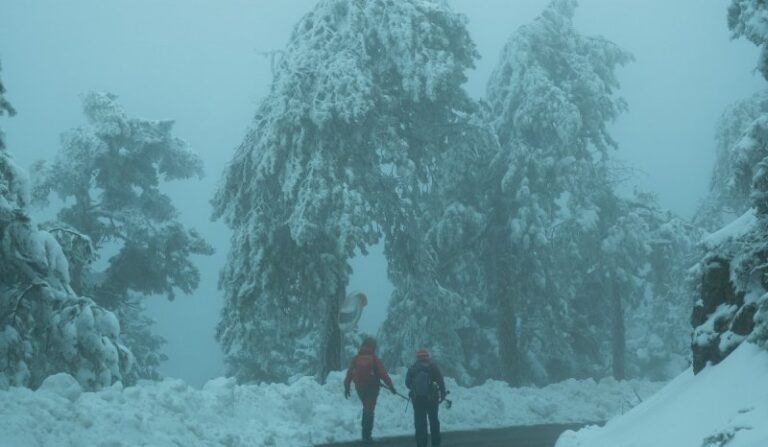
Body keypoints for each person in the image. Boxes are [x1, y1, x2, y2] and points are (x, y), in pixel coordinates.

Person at [344, 337, 397, 444]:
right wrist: (391, 386)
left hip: (360, 388)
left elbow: (349, 374)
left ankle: (365, 434)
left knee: (366, 408)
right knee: (369, 410)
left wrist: (347, 387)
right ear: (373, 346)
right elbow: (383, 374)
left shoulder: (356, 358)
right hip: (372, 388)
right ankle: (366, 436)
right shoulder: (374, 359)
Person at [405, 348, 446, 447]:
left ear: (418, 357)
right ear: (427, 356)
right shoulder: (433, 367)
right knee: (434, 421)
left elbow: (407, 383)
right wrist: (443, 393)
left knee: (420, 423)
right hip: (432, 399)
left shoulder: (413, 368)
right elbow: (440, 381)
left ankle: (421, 444)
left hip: (418, 400)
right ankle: (435, 444)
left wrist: (413, 388)